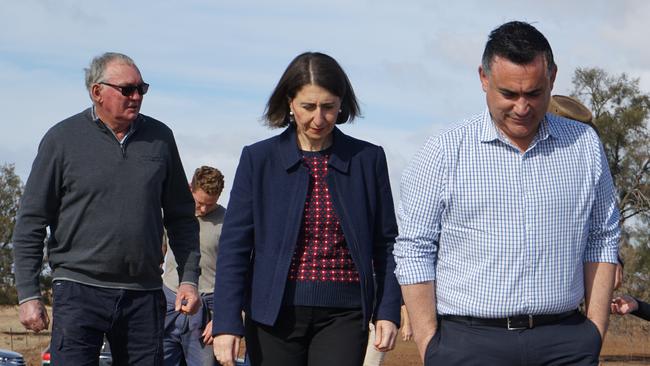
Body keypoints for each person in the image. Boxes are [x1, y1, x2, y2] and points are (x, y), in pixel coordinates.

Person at [394, 21, 620, 366]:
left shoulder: (584, 145)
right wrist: (429, 344)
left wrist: (594, 330)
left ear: (552, 78)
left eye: (533, 93)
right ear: (484, 79)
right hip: (468, 343)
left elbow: (603, 236)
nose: (522, 107)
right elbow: (414, 247)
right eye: (508, 94)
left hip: (565, 342)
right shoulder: (444, 150)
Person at [211, 52, 401, 366]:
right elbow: (234, 247)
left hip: (345, 315)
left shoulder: (368, 160)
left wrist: (388, 310)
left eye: (328, 107)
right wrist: (226, 323)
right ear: (289, 103)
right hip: (272, 317)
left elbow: (388, 243)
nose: (319, 118)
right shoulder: (258, 160)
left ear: (342, 104)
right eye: (308, 107)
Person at [12, 52, 201, 365]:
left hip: (143, 294)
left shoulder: (161, 139)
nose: (137, 96)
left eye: (142, 89)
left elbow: (182, 218)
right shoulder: (61, 139)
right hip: (78, 291)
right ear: (96, 91)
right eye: (127, 89)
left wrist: (189, 279)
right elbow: (31, 221)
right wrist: (29, 294)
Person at [163, 166, 226, 366]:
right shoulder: (174, 216)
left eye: (210, 204)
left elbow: (237, 272)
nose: (204, 210)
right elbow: (158, 251)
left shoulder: (228, 222)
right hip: (169, 301)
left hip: (208, 306)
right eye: (200, 203)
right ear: (190, 188)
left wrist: (223, 319)